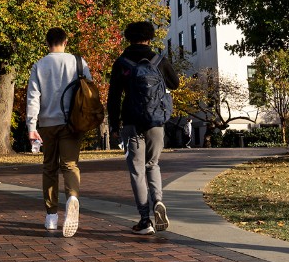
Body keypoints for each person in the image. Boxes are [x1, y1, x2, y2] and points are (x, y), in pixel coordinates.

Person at [107, 20, 179, 235]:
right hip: (156, 121)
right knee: (153, 164)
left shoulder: (122, 62)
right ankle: (158, 201)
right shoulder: (159, 60)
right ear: (150, 37)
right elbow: (175, 83)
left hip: (131, 122)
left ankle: (145, 220)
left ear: (128, 37)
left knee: (137, 171)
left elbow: (113, 98)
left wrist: (114, 125)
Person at [25, 27, 92, 237]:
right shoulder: (78, 62)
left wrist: (31, 127)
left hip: (47, 123)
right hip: (72, 122)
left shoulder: (39, 65)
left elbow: (33, 97)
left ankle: (51, 216)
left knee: (49, 168)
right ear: (66, 41)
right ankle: (72, 196)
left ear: (47, 43)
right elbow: (90, 91)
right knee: (70, 165)